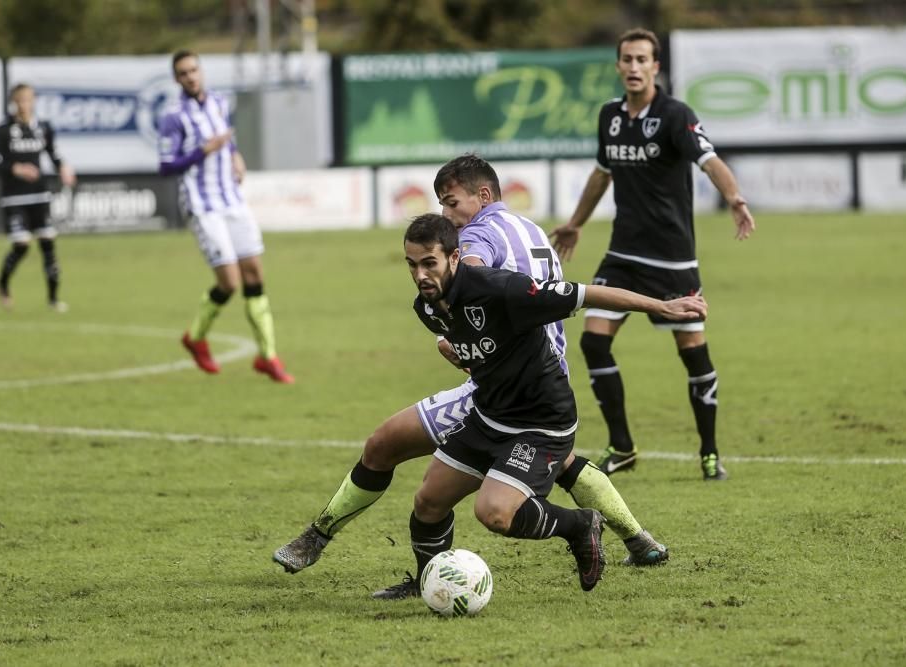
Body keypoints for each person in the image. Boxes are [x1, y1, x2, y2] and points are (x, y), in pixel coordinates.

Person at [274, 155, 670, 596]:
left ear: (481, 198)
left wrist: (662, 306)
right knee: (527, 471)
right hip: (519, 376)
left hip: (523, 383)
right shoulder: (529, 228)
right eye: (442, 207)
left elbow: (478, 282)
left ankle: (318, 535)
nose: (447, 215)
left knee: (387, 445)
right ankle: (638, 540)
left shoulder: (475, 240)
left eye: (451, 203)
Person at [390, 213, 707, 594]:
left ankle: (579, 526)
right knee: (428, 501)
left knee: (493, 513)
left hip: (543, 421)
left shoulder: (500, 289)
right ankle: (431, 584)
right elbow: (472, 341)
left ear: (455, 258)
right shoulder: (427, 307)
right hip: (490, 415)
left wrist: (662, 307)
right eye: (412, 265)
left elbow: (586, 293)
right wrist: (463, 354)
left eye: (430, 263)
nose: (421, 274)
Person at [549, 28, 756, 481]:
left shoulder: (675, 115)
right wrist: (576, 223)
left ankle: (709, 452)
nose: (634, 67)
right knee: (593, 340)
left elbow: (711, 161)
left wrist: (735, 197)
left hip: (672, 259)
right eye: (627, 59)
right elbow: (602, 175)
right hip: (623, 253)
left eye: (643, 59)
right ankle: (622, 447)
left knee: (692, 353)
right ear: (619, 65)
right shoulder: (610, 117)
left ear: (656, 66)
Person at [159, 50, 293, 383]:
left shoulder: (219, 102)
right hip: (203, 205)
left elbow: (227, 142)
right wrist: (202, 151)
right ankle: (196, 337)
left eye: (194, 70)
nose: (190, 76)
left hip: (232, 200)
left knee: (254, 275)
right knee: (229, 282)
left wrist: (236, 158)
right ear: (177, 79)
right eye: (183, 73)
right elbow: (166, 166)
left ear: (200, 72)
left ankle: (268, 357)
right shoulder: (174, 116)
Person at [0, 83, 76, 312]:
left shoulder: (43, 127)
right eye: (20, 100)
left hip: (39, 194)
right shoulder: (2, 130)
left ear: (34, 101)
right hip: (13, 197)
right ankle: (3, 282)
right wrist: (16, 168)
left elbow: (53, 153)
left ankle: (53, 299)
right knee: (22, 244)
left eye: (28, 100)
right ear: (13, 102)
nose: (24, 105)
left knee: (48, 243)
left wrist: (63, 167)